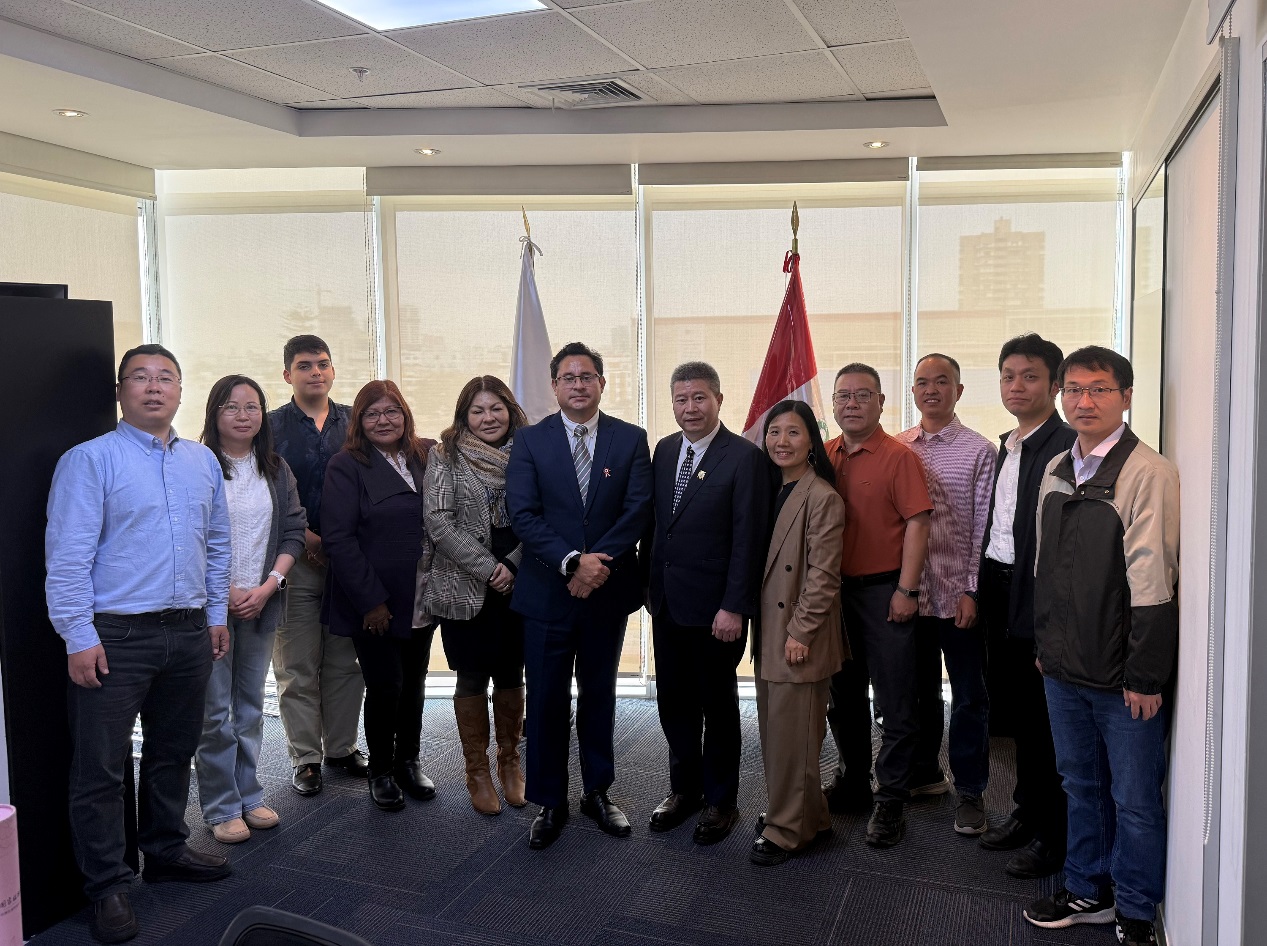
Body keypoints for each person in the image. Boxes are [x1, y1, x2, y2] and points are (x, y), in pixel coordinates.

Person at [46, 344, 232, 944]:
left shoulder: (202, 461)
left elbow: (218, 543)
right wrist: (77, 635)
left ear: (180, 390)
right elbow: (67, 557)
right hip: (115, 636)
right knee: (100, 768)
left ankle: (166, 849)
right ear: (121, 391)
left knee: (173, 752)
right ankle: (107, 884)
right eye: (140, 378)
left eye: (166, 378)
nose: (154, 387)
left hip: (189, 631)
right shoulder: (89, 460)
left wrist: (215, 614)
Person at [1023, 347, 1179, 946]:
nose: (1084, 401)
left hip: (1122, 679)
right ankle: (1087, 888)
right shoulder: (1057, 467)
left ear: (1126, 397)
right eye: (1074, 389)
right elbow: (1044, 569)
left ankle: (1135, 910)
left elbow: (1153, 582)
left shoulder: (1148, 472)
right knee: (1079, 785)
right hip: (1062, 669)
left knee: (1135, 800)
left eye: (1099, 389)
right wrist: (1046, 646)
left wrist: (1145, 676)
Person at [506, 342, 653, 850]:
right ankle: (550, 801)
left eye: (587, 376)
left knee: (599, 695)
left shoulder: (630, 439)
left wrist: (595, 567)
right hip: (548, 593)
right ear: (554, 386)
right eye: (568, 378)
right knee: (546, 700)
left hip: (605, 593)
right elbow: (523, 514)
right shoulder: (530, 441)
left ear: (602, 384)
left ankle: (598, 791)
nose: (578, 385)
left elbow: (637, 511)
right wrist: (572, 562)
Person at [642, 362, 768, 845]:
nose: (690, 408)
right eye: (681, 399)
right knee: (674, 703)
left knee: (717, 706)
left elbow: (748, 539)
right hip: (667, 603)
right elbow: (657, 525)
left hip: (718, 611)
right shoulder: (664, 449)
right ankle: (684, 790)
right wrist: (648, 587)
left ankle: (720, 800)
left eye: (699, 398)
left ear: (718, 399)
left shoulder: (744, 457)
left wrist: (735, 606)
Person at [977, 333, 1076, 878]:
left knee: (1045, 723)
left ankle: (1053, 836)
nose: (1017, 385)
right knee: (1017, 714)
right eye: (1008, 376)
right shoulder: (1011, 443)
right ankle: (1026, 810)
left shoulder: (1067, 446)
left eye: (1030, 376)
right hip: (999, 588)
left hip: (1036, 597)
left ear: (1055, 385)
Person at [823, 362, 932, 848]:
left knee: (895, 700)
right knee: (843, 696)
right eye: (843, 396)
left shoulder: (898, 457)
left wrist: (907, 591)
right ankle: (852, 780)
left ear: (882, 402)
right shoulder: (825, 454)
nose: (852, 404)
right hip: (834, 594)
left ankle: (891, 799)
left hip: (885, 593)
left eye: (862, 395)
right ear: (833, 404)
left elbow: (918, 524)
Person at [194, 375, 307, 844]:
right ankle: (221, 805)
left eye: (252, 407)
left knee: (250, 707)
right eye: (231, 407)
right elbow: (187, 538)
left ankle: (249, 794)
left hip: (262, 603)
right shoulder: (197, 465)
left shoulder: (276, 469)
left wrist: (267, 587)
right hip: (210, 609)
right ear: (214, 413)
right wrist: (223, 593)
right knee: (214, 711)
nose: (243, 416)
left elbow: (294, 532)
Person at [321, 380, 437, 813]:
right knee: (386, 685)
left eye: (392, 411)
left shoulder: (426, 455)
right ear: (359, 421)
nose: (383, 420)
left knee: (415, 682)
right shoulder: (346, 465)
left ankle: (409, 761)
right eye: (372, 413)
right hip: (374, 599)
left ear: (405, 415)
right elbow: (338, 539)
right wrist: (371, 601)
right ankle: (381, 771)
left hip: (422, 591)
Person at [897, 354, 996, 836]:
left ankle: (971, 791)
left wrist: (972, 590)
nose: (931, 390)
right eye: (922, 382)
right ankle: (924, 775)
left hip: (958, 597)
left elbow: (983, 528)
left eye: (942, 382)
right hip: (911, 596)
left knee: (970, 696)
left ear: (958, 391)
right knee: (916, 692)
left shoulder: (980, 451)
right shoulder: (897, 447)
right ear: (913, 391)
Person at [422, 376, 529, 816]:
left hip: (521, 582)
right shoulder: (444, 454)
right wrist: (489, 569)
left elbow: (543, 515)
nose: (488, 418)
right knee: (471, 677)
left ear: (510, 410)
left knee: (511, 673)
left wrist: (514, 565)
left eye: (496, 408)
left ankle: (510, 762)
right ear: (464, 416)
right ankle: (477, 771)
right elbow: (437, 521)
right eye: (478, 410)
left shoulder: (530, 451)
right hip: (465, 585)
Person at [269, 335, 367, 797]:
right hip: (294, 559)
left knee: (345, 661)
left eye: (323, 364)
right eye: (305, 365)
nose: (316, 372)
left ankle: (342, 749)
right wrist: (308, 538)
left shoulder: (356, 421)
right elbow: (266, 494)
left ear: (333, 370)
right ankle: (306, 758)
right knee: (296, 664)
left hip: (351, 559)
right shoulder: (269, 427)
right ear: (288, 374)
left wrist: (342, 545)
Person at [750, 400, 846, 867]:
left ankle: (788, 830)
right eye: (774, 432)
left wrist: (801, 632)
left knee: (793, 740)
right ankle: (811, 815)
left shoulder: (822, 496)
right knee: (780, 734)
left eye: (793, 432)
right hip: (770, 631)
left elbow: (824, 576)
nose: (781, 441)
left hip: (798, 635)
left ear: (811, 441)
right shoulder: (773, 488)